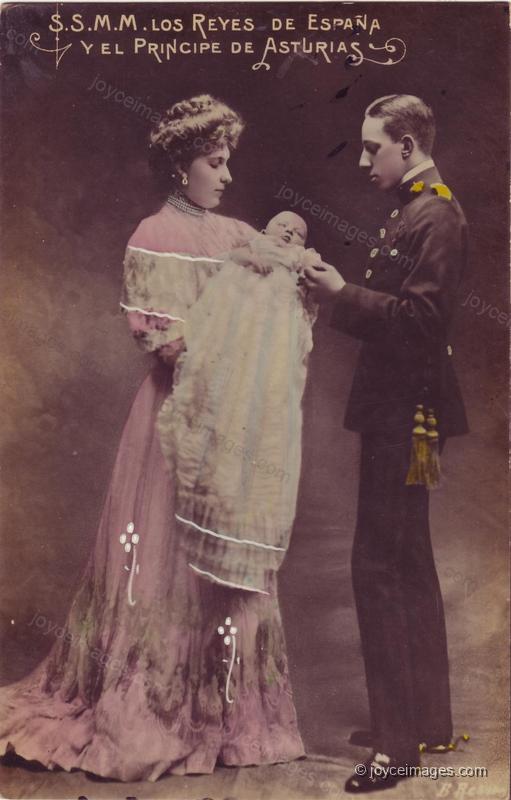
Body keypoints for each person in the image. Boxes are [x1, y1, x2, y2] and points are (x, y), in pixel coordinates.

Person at [0, 94, 305, 782]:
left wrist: (285, 277)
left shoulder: (236, 234)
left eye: (227, 161)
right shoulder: (154, 234)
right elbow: (166, 344)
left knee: (226, 561)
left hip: (230, 422)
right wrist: (236, 343)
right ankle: (158, 707)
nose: (226, 175)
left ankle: (225, 715)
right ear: (180, 165)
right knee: (165, 559)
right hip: (176, 422)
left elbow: (281, 295)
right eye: (214, 162)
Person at [303, 94, 469, 793]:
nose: (364, 160)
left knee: (377, 567)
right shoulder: (418, 208)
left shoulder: (436, 214)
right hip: (401, 409)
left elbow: (422, 321)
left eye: (373, 147)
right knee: (407, 563)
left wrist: (340, 293)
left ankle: (397, 749)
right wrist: (336, 294)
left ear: (407, 144)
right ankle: (424, 721)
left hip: (406, 414)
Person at [155, 210, 319, 594]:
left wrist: (303, 268)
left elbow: (309, 303)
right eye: (282, 224)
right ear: (265, 228)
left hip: (269, 358)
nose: (289, 232)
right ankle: (202, 529)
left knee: (261, 437)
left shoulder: (299, 261)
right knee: (217, 424)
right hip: (234, 348)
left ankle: (239, 550)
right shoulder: (248, 248)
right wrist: (244, 258)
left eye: (297, 232)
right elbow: (218, 275)